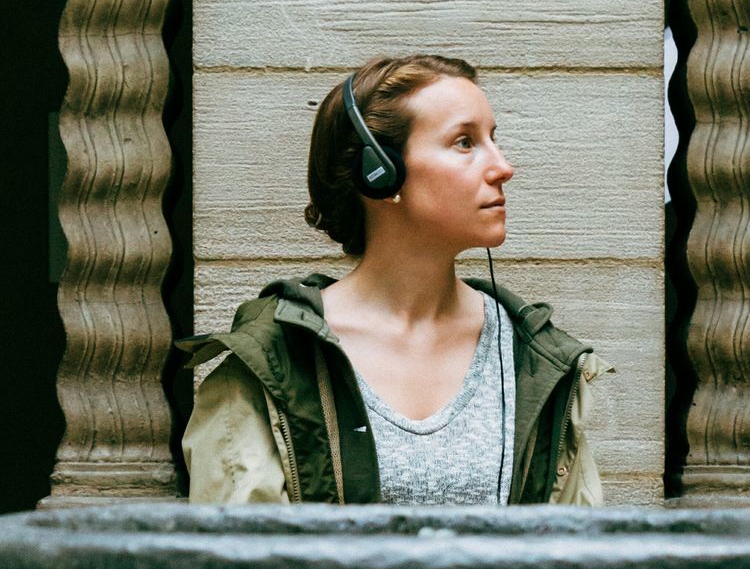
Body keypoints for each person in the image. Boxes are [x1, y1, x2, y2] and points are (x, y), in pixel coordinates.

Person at [178, 53, 612, 505]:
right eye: (465, 142)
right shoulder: (276, 363)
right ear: (380, 172)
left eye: (492, 138)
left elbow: (577, 556)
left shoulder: (538, 358)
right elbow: (243, 564)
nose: (503, 167)